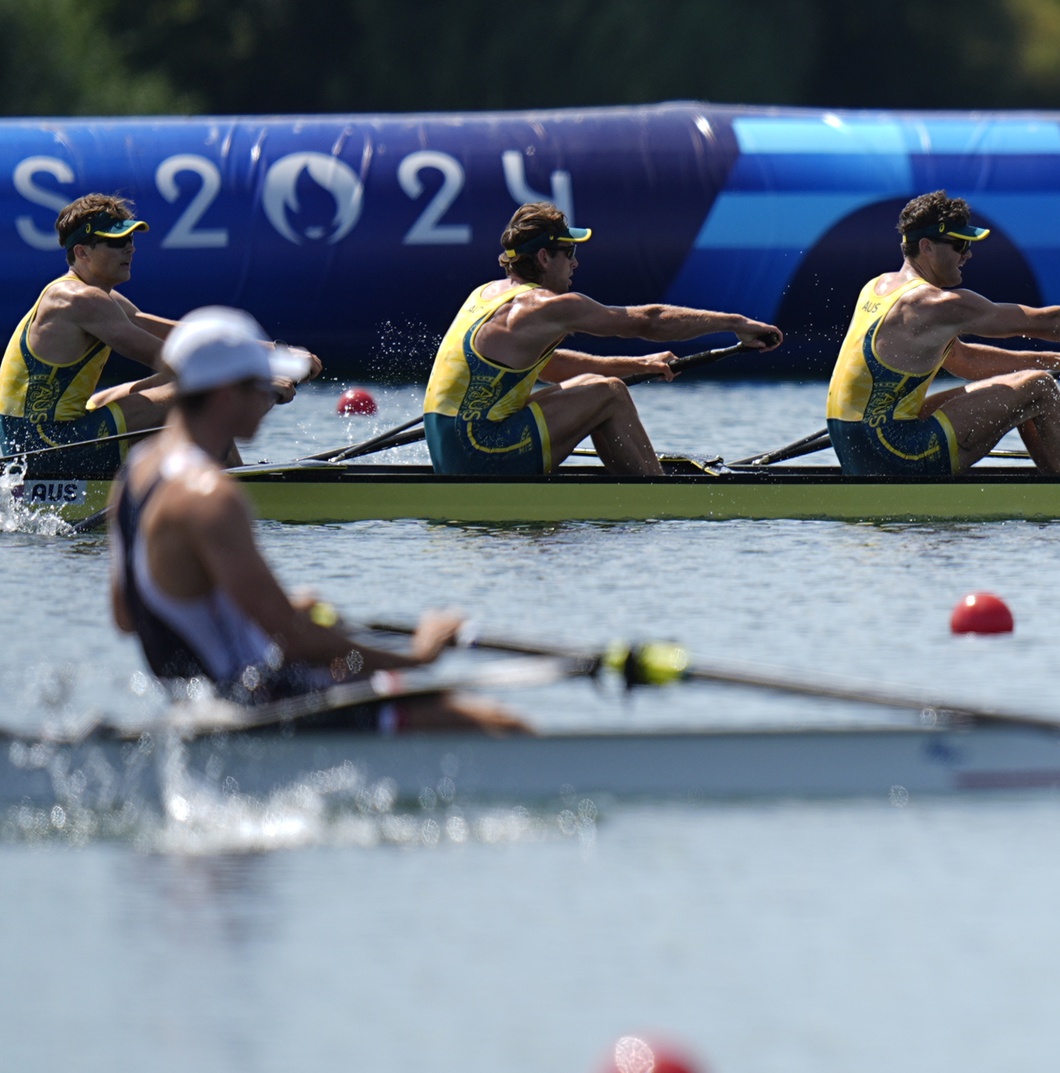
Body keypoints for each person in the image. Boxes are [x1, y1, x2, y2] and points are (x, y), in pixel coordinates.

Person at [108, 307, 524, 732]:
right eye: (261, 385)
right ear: (225, 394)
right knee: (498, 723)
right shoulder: (210, 497)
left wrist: (268, 614)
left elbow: (128, 615)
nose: (272, 395)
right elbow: (295, 640)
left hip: (198, 700)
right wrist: (420, 653)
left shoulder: (137, 472)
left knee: (336, 643)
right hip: (254, 702)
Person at [825, 190, 1060, 476]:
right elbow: (1048, 322)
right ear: (927, 247)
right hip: (893, 454)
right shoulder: (934, 303)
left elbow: (963, 359)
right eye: (960, 246)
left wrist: (1056, 359)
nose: (968, 256)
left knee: (1023, 385)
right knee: (1038, 387)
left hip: (859, 449)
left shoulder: (879, 287)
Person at [423, 201, 783, 476]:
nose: (575, 264)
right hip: (480, 453)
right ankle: (658, 497)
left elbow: (554, 365)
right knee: (608, 394)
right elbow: (648, 322)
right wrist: (736, 323)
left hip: (452, 449)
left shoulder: (485, 295)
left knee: (597, 383)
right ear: (545, 257)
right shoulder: (548, 307)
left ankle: (635, 480)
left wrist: (639, 365)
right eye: (570, 253)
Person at [2, 194, 318, 477]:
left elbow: (181, 335)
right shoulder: (79, 299)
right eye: (115, 241)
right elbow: (172, 359)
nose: (129, 247)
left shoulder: (94, 295)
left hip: (36, 439)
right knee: (196, 390)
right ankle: (232, 480)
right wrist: (257, 378)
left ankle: (230, 471)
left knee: (160, 387)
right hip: (41, 448)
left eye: (130, 239)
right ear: (82, 252)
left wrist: (276, 351)